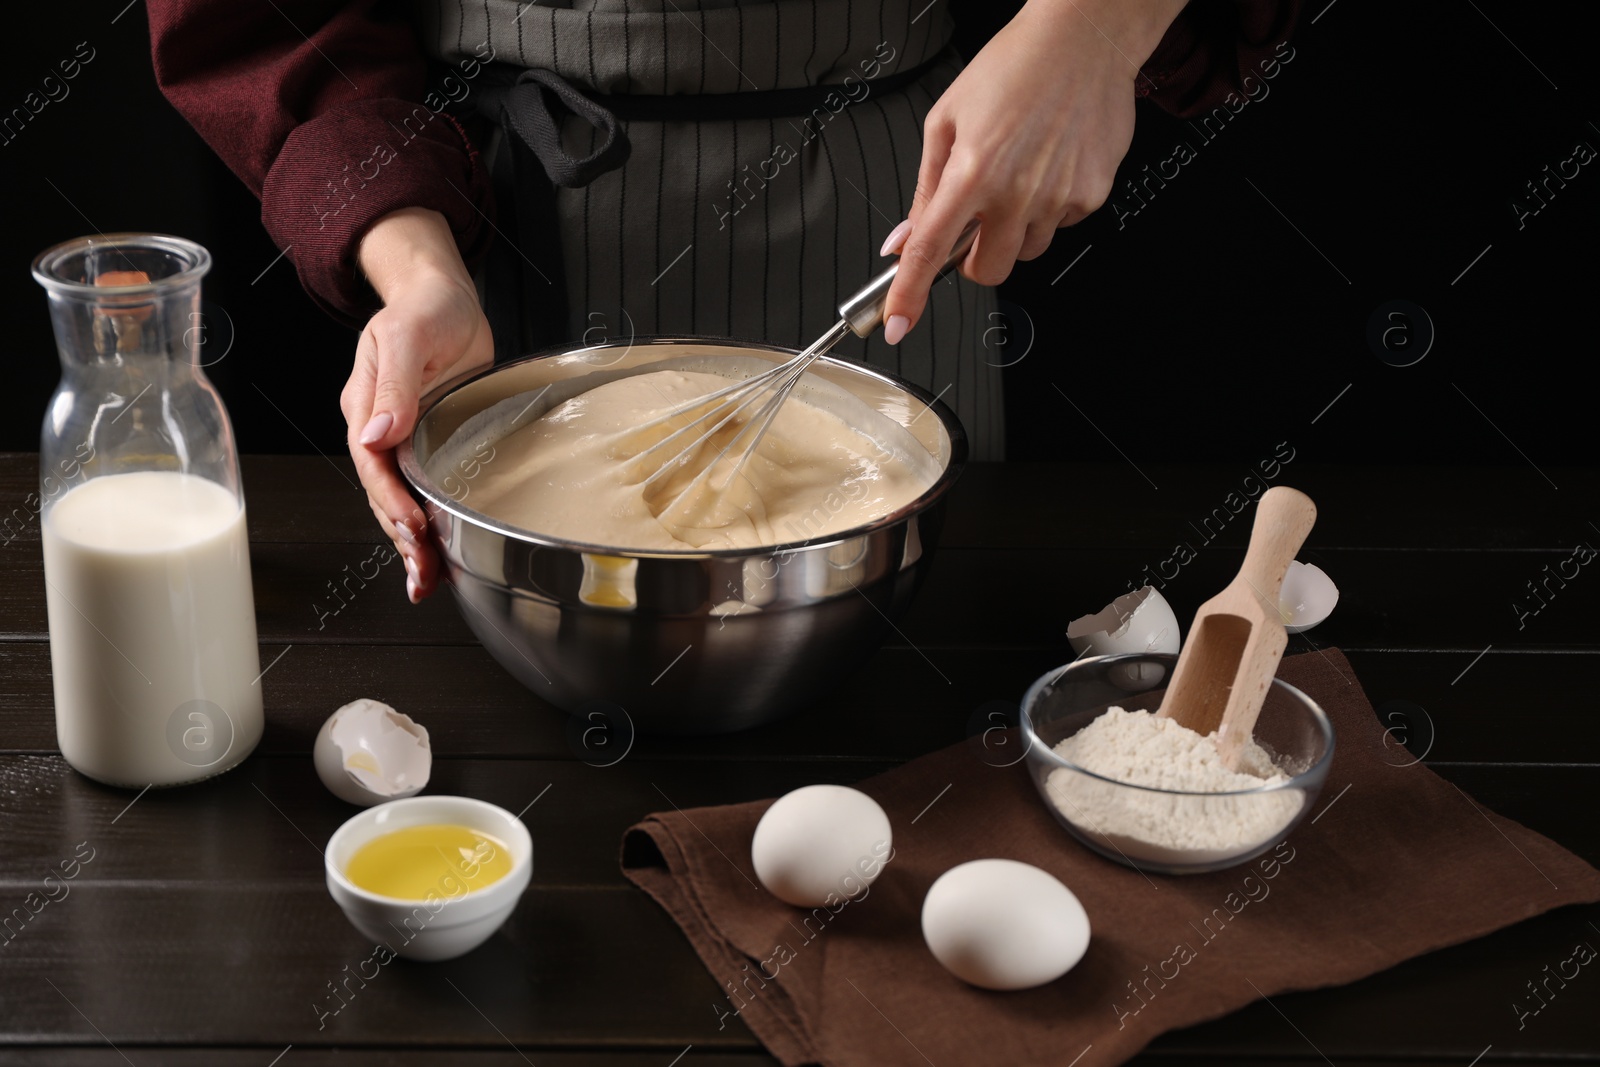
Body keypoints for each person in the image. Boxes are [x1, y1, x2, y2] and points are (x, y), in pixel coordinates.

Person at [148, 0, 1298, 602]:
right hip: (491, 228)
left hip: (890, 199)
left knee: (907, 704)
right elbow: (266, 19)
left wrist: (1095, 22)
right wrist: (417, 271)